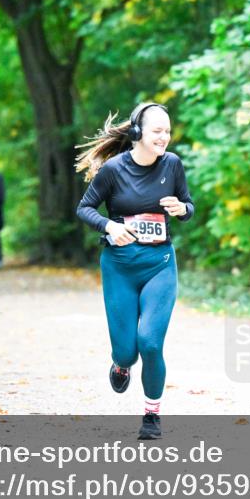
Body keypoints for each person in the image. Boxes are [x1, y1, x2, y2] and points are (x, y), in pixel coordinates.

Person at [75, 103, 195, 440]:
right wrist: (109, 226)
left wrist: (182, 208)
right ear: (139, 133)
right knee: (127, 350)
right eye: (157, 131)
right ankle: (120, 363)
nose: (165, 137)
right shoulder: (113, 170)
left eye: (168, 131)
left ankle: (152, 416)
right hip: (119, 268)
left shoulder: (172, 165)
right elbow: (84, 208)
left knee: (151, 344)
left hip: (160, 265)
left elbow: (188, 206)